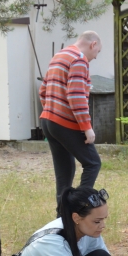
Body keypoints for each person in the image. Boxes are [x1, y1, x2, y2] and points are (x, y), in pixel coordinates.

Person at [40, 31, 103, 206]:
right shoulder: (79, 59)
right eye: (98, 52)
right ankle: (78, 207)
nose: (96, 58)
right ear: (93, 45)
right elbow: (76, 96)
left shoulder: (60, 55)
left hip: (48, 120)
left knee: (64, 173)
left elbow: (43, 90)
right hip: (64, 122)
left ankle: (62, 216)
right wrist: (86, 127)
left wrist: (51, 110)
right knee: (93, 163)